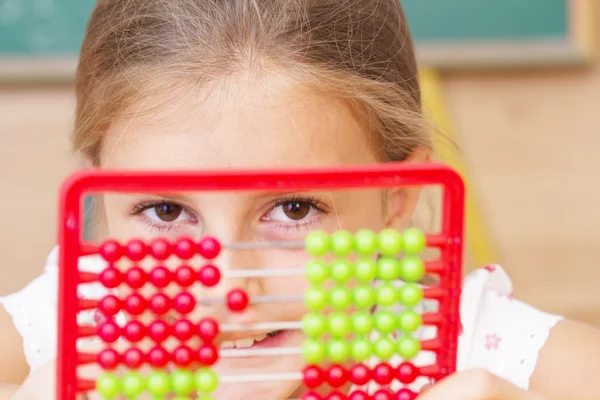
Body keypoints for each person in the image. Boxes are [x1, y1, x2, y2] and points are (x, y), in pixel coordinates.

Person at [2, 1, 600, 399]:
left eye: (293, 209)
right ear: (100, 195)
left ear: (398, 196)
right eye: (165, 211)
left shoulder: (463, 347)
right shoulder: (76, 326)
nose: (229, 287)